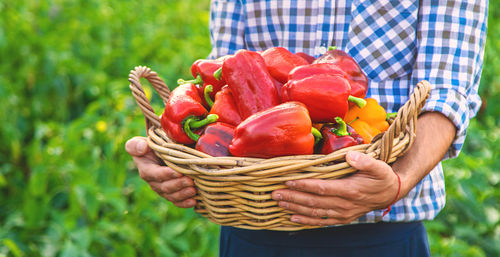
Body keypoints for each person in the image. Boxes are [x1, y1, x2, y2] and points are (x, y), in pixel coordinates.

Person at [125, 0, 488, 256]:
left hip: (381, 234)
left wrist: (398, 180)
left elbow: (446, 92)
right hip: (254, 226)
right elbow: (225, 79)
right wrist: (176, 158)